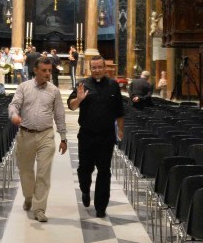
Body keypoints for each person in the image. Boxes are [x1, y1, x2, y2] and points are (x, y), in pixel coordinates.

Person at [9, 57, 67, 222]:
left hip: (46, 135)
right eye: (44, 70)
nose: (48, 74)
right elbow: (14, 104)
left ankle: (39, 209)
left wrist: (63, 137)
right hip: (26, 134)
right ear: (35, 70)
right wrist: (13, 115)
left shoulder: (54, 91)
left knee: (43, 173)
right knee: (25, 170)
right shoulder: (24, 87)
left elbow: (59, 115)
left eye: (49, 71)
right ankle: (28, 196)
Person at [68, 54, 124, 218]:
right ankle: (85, 190)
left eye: (100, 67)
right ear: (90, 69)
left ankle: (101, 207)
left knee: (104, 171)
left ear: (105, 68)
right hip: (87, 135)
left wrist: (120, 130)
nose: (97, 70)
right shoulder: (83, 84)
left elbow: (119, 111)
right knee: (84, 168)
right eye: (94, 68)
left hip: (106, 136)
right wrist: (78, 99)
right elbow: (71, 106)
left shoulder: (113, 85)